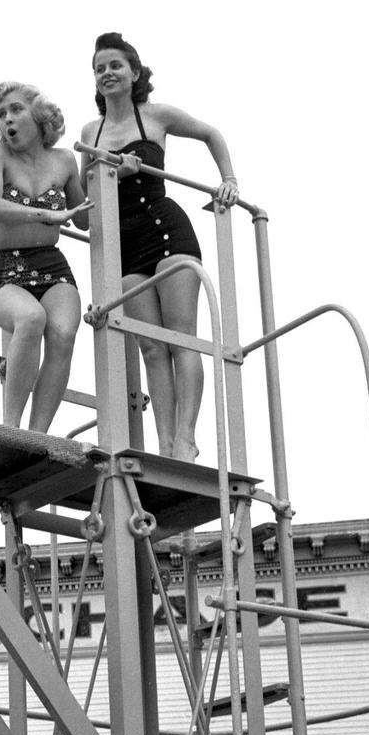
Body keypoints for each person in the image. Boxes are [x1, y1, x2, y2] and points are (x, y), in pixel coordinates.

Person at [77, 33, 239, 463]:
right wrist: (111, 175)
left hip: (166, 227)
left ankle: (186, 438)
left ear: (134, 71)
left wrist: (229, 180)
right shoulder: (90, 132)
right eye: (99, 68)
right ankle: (165, 442)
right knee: (151, 347)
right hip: (125, 243)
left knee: (180, 337)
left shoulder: (155, 115)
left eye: (115, 65)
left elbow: (210, 133)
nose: (107, 73)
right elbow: (83, 205)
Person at [0, 81, 92, 431]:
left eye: (15, 109)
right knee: (30, 319)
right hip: (9, 270)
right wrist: (45, 215)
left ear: (38, 114)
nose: (6, 120)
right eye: (1, 115)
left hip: (53, 266)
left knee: (62, 334)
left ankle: (38, 434)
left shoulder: (63, 161)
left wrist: (99, 168)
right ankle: (12, 429)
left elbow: (86, 219)